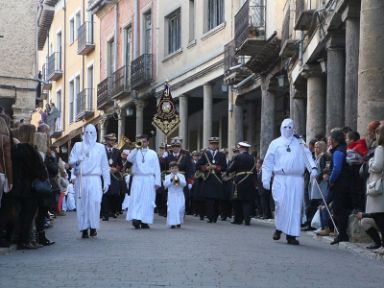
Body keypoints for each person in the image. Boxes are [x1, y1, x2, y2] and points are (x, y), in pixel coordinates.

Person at [262, 118, 317, 245]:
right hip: (280, 178)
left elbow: (307, 156)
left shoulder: (299, 142)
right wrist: (266, 178)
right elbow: (268, 162)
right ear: (281, 128)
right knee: (281, 204)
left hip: (296, 179)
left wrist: (313, 168)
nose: (288, 129)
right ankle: (279, 228)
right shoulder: (275, 143)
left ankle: (291, 235)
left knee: (294, 207)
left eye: (290, 127)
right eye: (285, 127)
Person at [69, 124, 110, 239]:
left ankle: (93, 227)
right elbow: (71, 162)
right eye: (87, 132)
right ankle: (83, 228)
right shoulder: (78, 146)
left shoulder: (100, 147)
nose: (89, 135)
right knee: (82, 204)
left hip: (95, 179)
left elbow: (105, 166)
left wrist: (106, 181)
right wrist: (78, 161)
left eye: (91, 132)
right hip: (82, 179)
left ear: (96, 133)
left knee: (95, 203)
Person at [357, 124, 384, 253]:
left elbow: (377, 166)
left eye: (377, 133)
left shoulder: (380, 148)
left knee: (378, 216)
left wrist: (371, 162)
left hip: (378, 186)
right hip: (380, 185)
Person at [126, 134, 161, 229]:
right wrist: (136, 148)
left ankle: (145, 220)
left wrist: (157, 182)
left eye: (144, 141)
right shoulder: (136, 152)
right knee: (137, 198)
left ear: (148, 142)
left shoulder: (153, 153)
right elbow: (129, 159)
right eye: (140, 141)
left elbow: (157, 168)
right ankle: (136, 219)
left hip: (149, 179)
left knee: (148, 200)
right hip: (138, 178)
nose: (143, 143)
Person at [327, 128, 352, 245]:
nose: (330, 140)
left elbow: (336, 168)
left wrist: (331, 180)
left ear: (335, 140)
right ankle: (342, 233)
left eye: (331, 138)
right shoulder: (342, 149)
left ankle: (342, 234)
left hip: (340, 185)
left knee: (338, 210)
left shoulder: (338, 151)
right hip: (345, 184)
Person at [196, 137, 227, 223]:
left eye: (216, 144)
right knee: (209, 200)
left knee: (216, 200)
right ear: (209, 144)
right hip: (208, 179)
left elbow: (225, 167)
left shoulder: (221, 155)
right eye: (212, 144)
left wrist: (216, 167)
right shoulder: (205, 154)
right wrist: (206, 167)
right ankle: (210, 216)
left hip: (217, 180)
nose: (214, 145)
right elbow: (198, 165)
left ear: (218, 145)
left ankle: (215, 217)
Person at [227, 141, 256, 225]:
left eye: (239, 148)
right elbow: (254, 171)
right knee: (247, 201)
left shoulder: (238, 157)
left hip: (239, 181)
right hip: (249, 181)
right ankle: (247, 219)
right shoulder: (252, 158)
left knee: (237, 201)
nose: (238, 149)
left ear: (242, 148)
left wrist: (228, 170)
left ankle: (238, 219)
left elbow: (232, 168)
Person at [101, 133, 123, 221]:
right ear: (106, 141)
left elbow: (120, 165)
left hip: (114, 176)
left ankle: (112, 210)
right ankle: (105, 213)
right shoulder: (101, 150)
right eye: (111, 140)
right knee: (105, 194)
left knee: (114, 194)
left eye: (114, 140)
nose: (113, 141)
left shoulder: (117, 151)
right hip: (104, 174)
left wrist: (116, 169)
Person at [164, 161, 186, 228]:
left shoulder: (181, 176)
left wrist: (179, 181)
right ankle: (172, 223)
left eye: (176, 168)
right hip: (172, 195)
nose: (174, 169)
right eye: (172, 168)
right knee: (172, 209)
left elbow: (184, 184)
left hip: (179, 194)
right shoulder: (167, 176)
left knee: (180, 208)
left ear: (178, 169)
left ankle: (178, 221)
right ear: (170, 169)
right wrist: (171, 180)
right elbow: (165, 185)